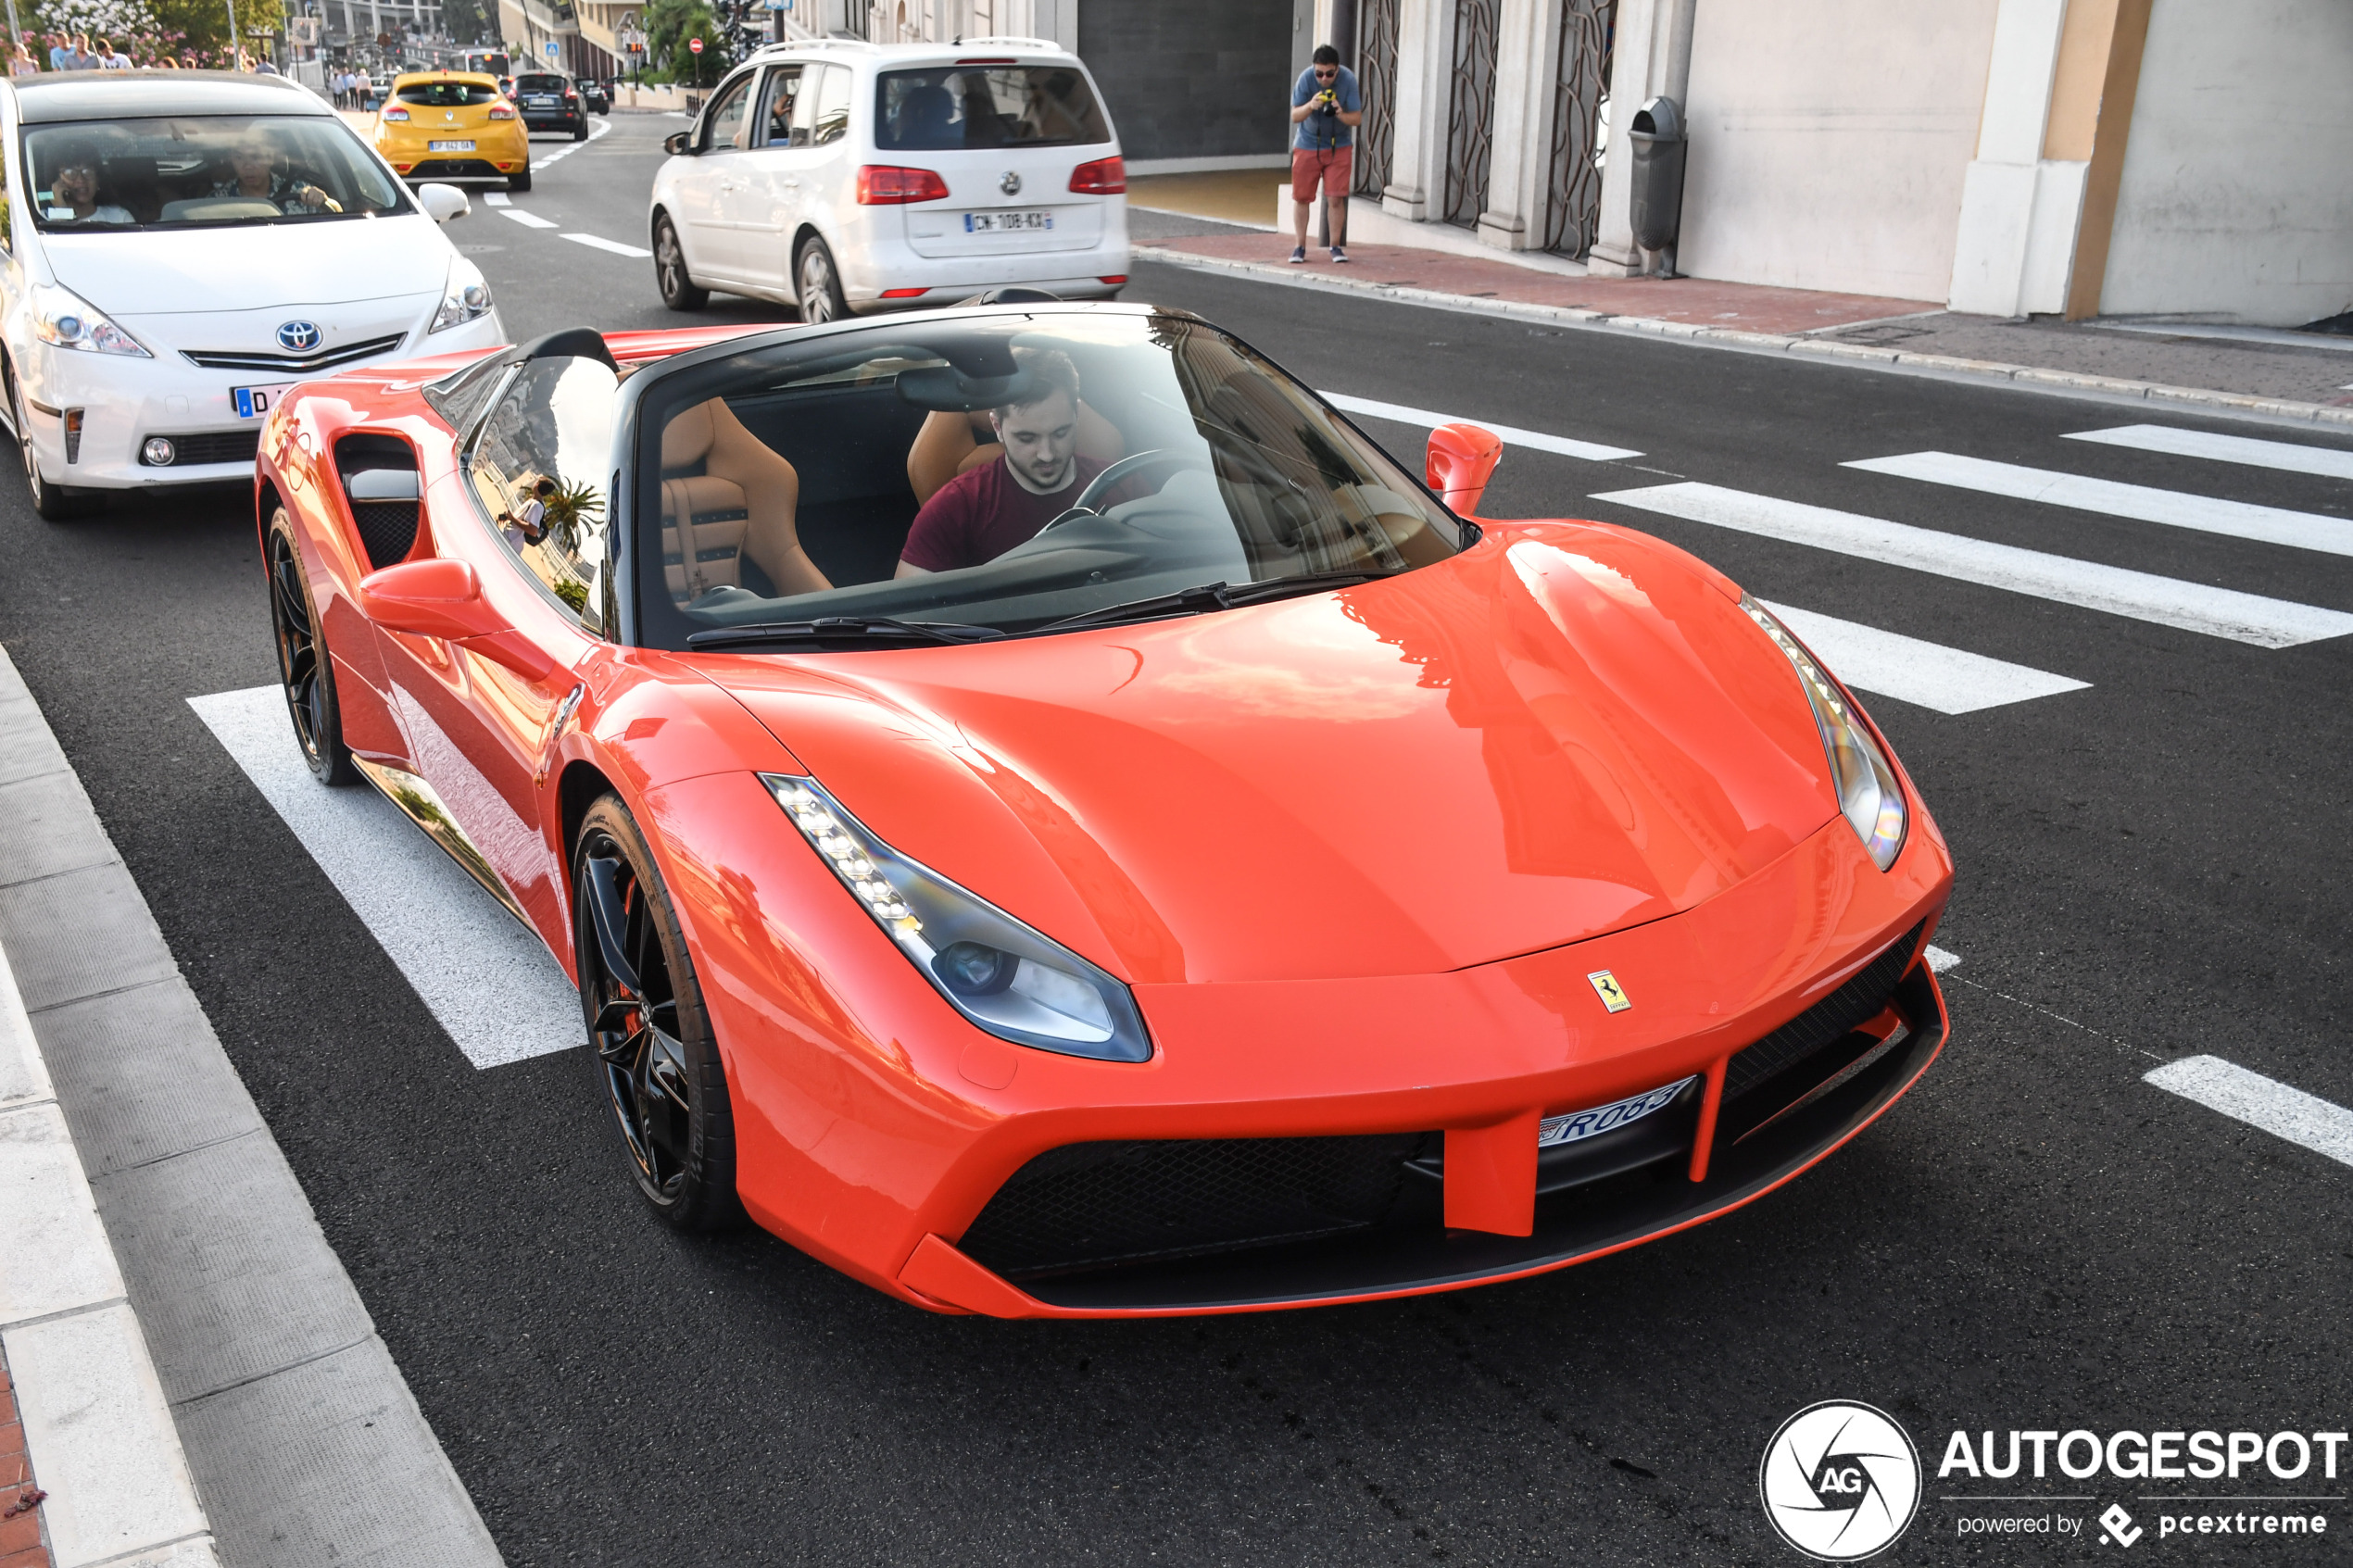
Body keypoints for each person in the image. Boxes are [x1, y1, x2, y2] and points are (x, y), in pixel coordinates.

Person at [897, 349, 1112, 578]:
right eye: (1027, 438)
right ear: (997, 427)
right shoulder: (954, 507)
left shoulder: (1125, 485)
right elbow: (906, 606)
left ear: (1076, 414)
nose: (1047, 455)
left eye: (1060, 433)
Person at [1289, 44, 1362, 265]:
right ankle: (1299, 246)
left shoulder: (1348, 80)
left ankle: (1335, 246)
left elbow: (1357, 119)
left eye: (1330, 73)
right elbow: (1294, 116)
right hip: (1307, 144)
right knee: (1302, 197)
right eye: (1319, 73)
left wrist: (1340, 112)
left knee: (1335, 198)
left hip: (1338, 145)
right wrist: (1310, 105)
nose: (1324, 79)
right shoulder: (1305, 79)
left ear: (1337, 69)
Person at [211, 132, 337, 212]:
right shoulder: (218, 201)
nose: (247, 166)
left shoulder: (299, 192)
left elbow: (335, 219)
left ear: (270, 158)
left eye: (255, 157)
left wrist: (321, 200)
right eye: (239, 157)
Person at [42, 142, 134, 223]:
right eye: (70, 173)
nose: (81, 180)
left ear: (98, 180)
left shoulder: (120, 218)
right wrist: (61, 210)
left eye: (88, 172)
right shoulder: (41, 218)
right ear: (56, 180)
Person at [498, 477, 554, 550]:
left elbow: (533, 530)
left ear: (537, 485)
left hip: (510, 543)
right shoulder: (533, 501)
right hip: (507, 537)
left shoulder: (537, 506)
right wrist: (509, 517)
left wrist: (513, 519)